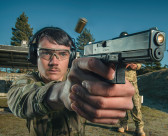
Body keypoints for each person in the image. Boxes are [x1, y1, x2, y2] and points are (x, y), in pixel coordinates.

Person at [7, 27, 135, 136]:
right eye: (46, 53)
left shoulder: (80, 78)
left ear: (71, 56)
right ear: (35, 56)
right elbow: (18, 100)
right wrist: (60, 93)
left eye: (63, 54)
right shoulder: (28, 80)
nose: (54, 62)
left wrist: (109, 79)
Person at [118, 63, 145, 136]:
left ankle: (139, 127)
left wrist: (136, 66)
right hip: (120, 80)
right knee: (121, 105)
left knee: (136, 105)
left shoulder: (134, 52)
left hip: (132, 82)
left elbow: (140, 63)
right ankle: (123, 124)